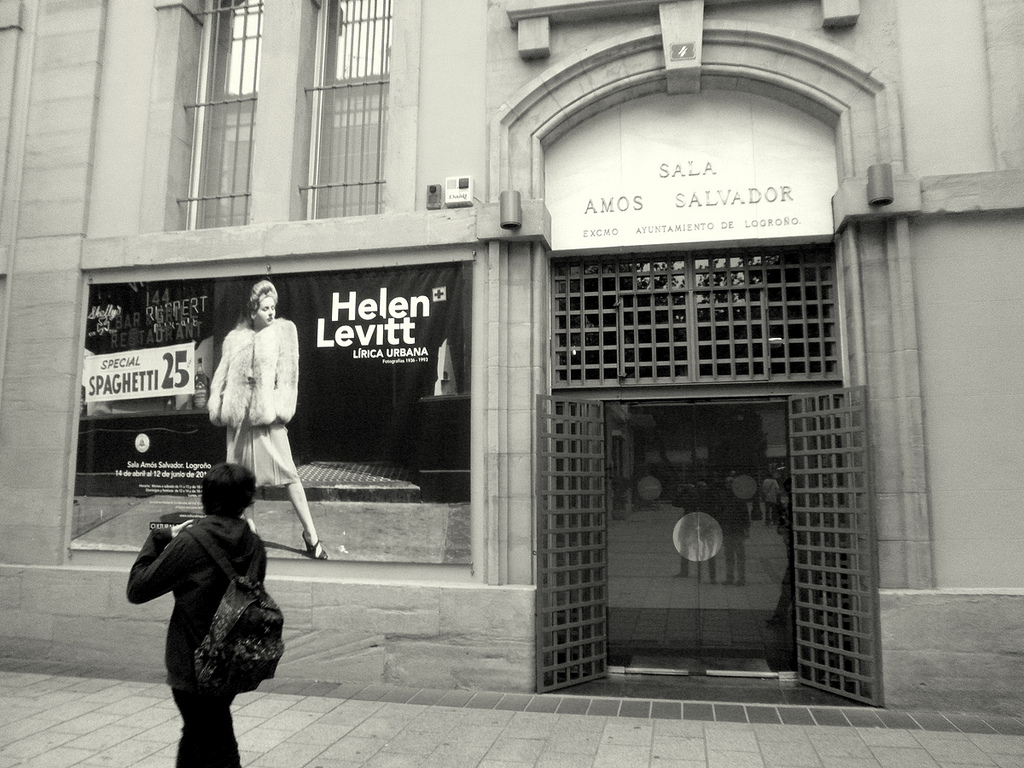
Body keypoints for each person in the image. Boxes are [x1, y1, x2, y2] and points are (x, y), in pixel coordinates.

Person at [127, 463, 266, 768]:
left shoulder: (191, 541)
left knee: (220, 752)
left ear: (206, 498)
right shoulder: (254, 544)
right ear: (246, 499)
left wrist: (160, 537)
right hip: (231, 663)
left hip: (192, 667)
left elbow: (137, 588)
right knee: (198, 737)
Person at [206, 279, 328, 559]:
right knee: (240, 482)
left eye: (273, 307)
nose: (271, 312)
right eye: (265, 308)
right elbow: (222, 378)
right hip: (241, 421)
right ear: (252, 312)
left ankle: (311, 534)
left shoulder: (284, 333)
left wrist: (275, 405)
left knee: (290, 476)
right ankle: (252, 536)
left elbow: (288, 377)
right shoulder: (235, 339)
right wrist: (222, 404)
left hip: (268, 418)